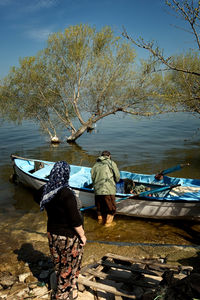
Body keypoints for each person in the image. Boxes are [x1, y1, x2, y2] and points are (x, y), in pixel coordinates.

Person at [39, 161, 86, 300]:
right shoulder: (67, 194)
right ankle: (62, 294)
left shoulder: (46, 189)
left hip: (52, 233)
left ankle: (67, 286)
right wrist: (82, 236)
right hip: (67, 237)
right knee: (69, 264)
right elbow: (75, 220)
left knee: (58, 261)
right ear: (66, 174)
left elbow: (36, 197)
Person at [91, 151, 120, 227]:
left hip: (97, 191)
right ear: (109, 156)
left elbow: (93, 178)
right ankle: (107, 226)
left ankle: (99, 222)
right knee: (111, 209)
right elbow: (117, 177)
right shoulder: (111, 163)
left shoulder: (95, 165)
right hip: (108, 190)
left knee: (100, 209)